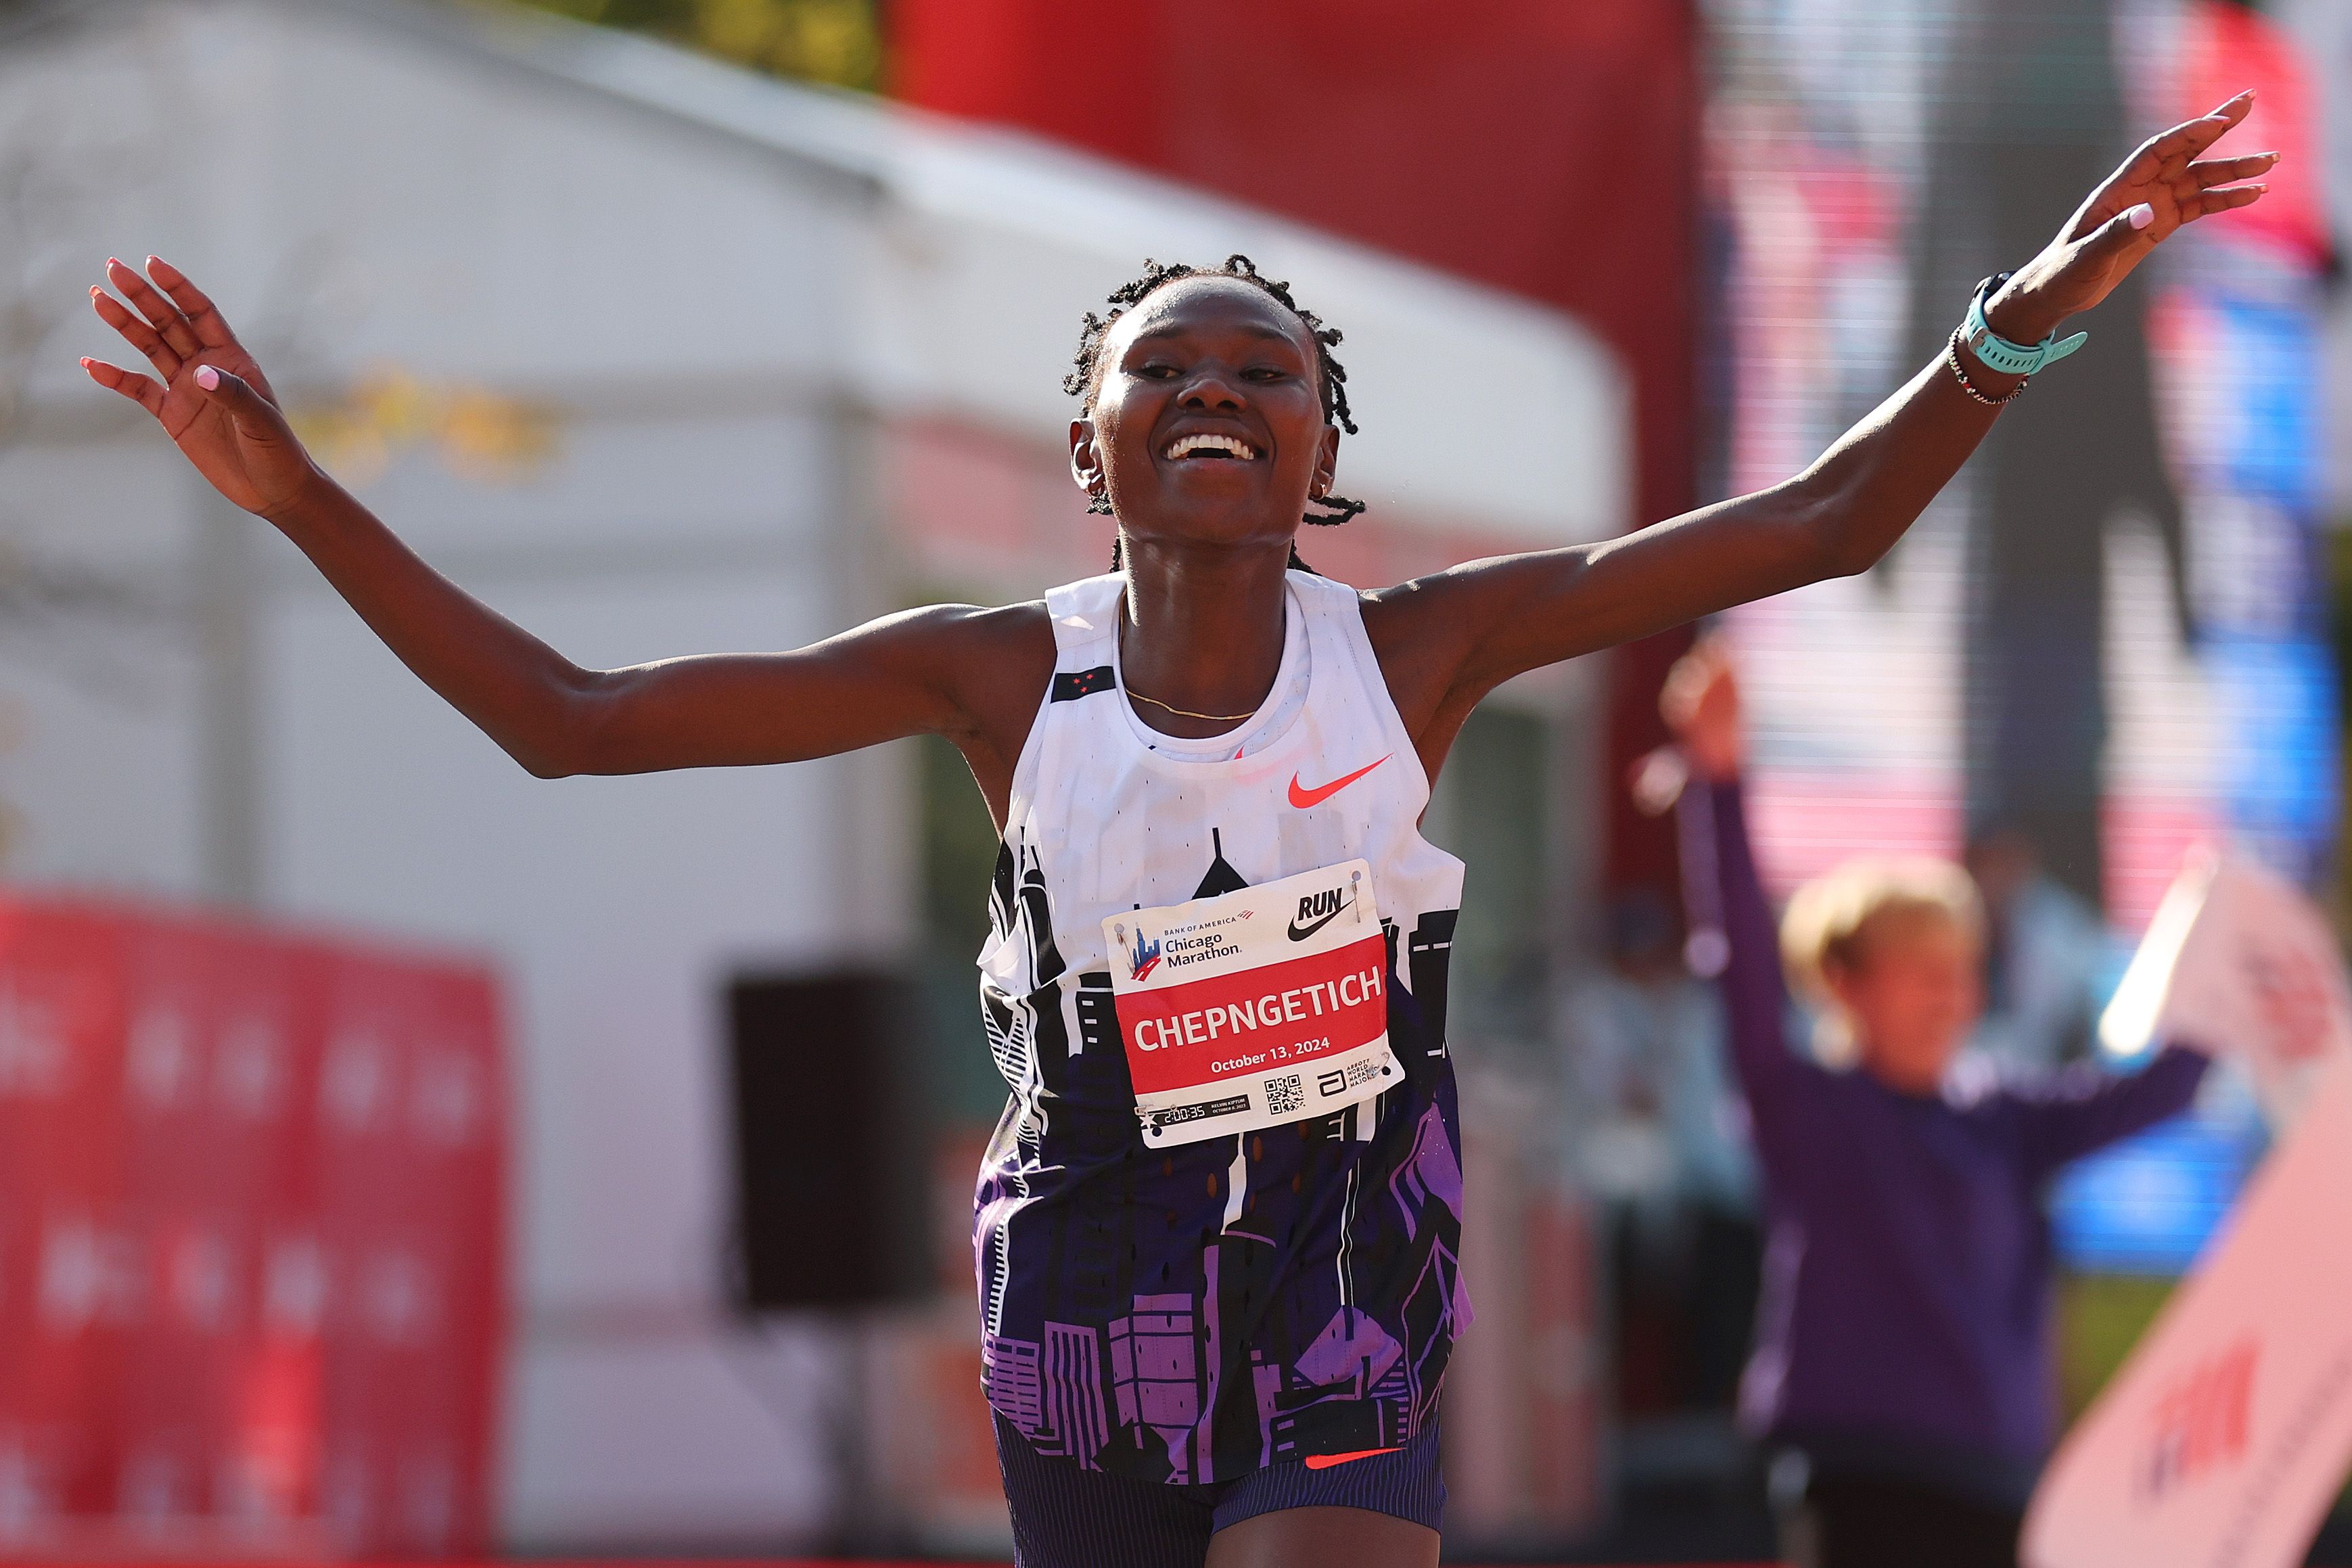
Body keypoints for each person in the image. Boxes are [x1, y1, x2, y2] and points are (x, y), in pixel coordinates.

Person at [76, 96, 2269, 1568]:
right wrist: (303, 497)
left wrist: (2004, 324)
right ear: (1088, 443)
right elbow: (569, 721)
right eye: (1165, 373)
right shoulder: (991, 671)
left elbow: (1809, 519)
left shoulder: (1409, 645)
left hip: (1342, 1249)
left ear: (1319, 445)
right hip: (1091, 1274)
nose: (1212, 393)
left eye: (1258, 375)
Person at [1659, 641, 2212, 1568]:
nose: (1950, 997)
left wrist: (2229, 957)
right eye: (1921, 974)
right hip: (1855, 1479)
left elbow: (2162, 1087)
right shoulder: (1804, 1108)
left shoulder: (2005, 1113)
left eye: (1961, 974)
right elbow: (1741, 970)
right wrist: (1717, 782)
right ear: (1843, 982)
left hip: (1995, 1480)